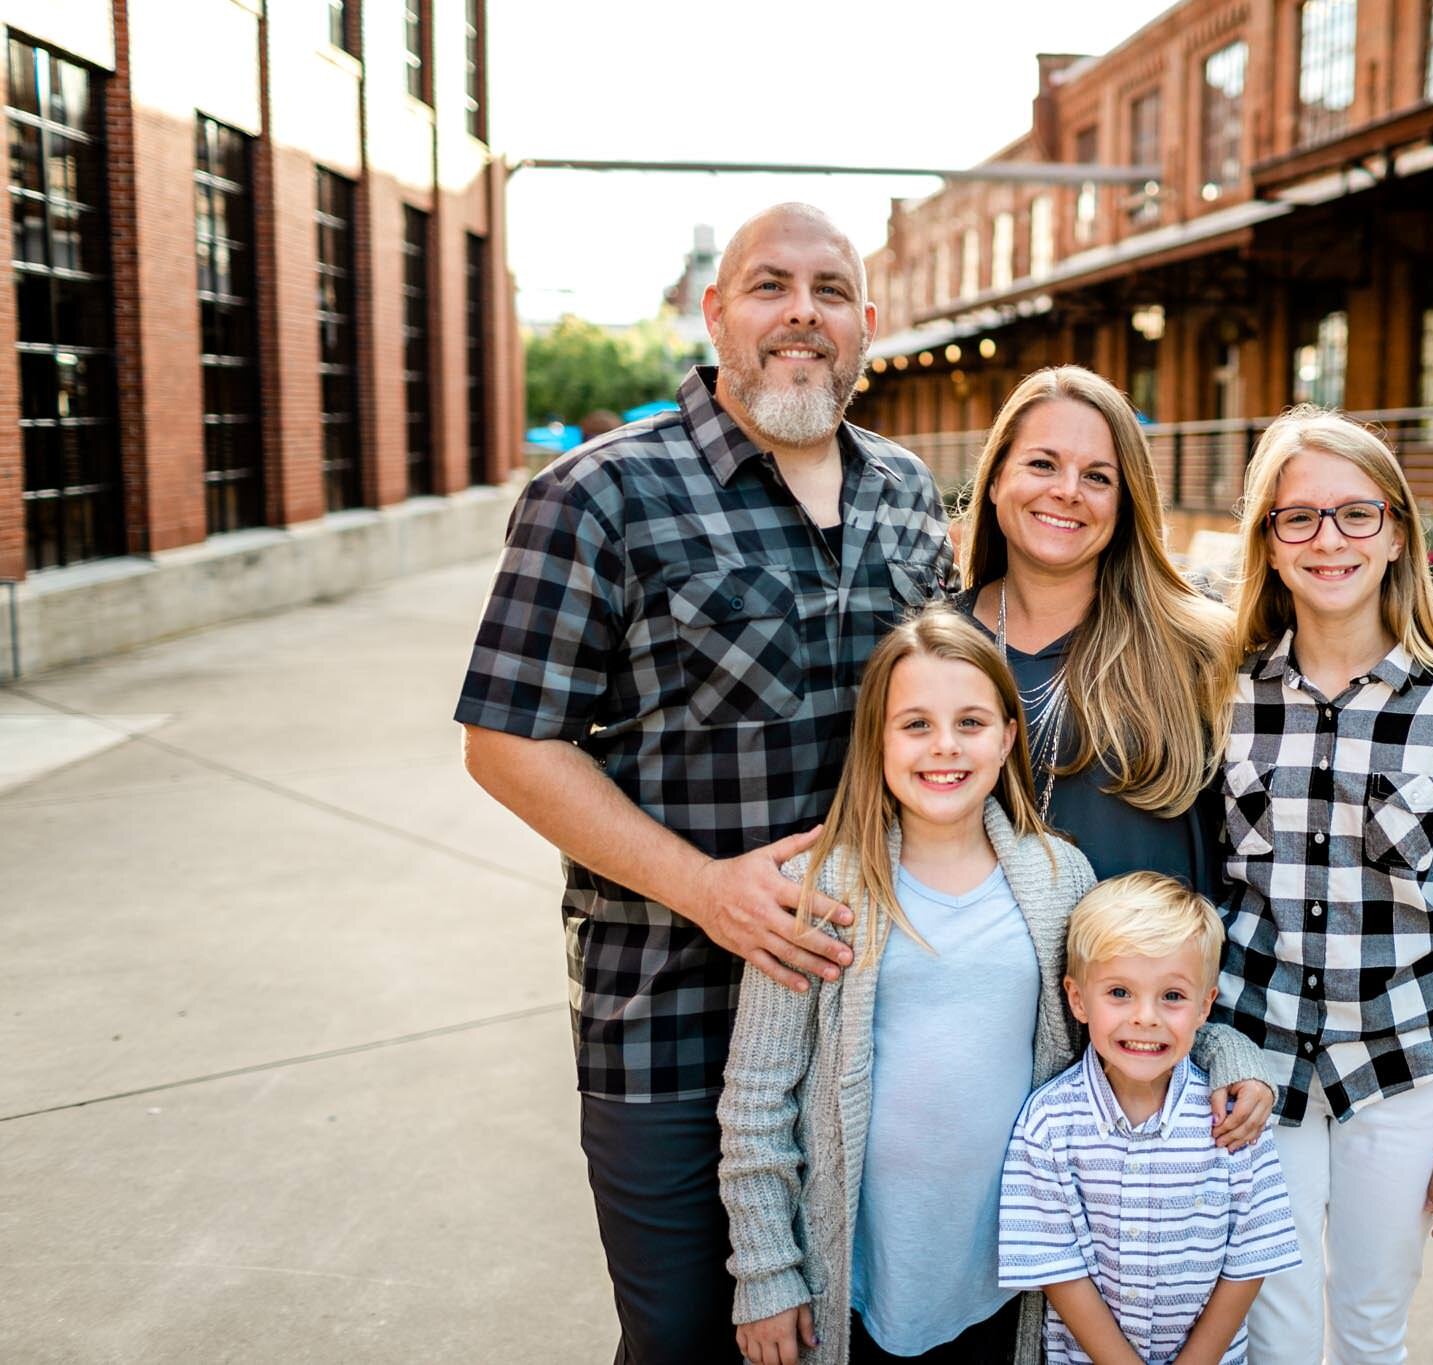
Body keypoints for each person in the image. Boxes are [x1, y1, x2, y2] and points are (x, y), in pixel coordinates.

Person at [454, 202, 954, 1364]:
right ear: (715, 310)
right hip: (669, 1017)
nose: (802, 314)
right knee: (685, 1337)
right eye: (769, 286)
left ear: (866, 325)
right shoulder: (598, 496)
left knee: (858, 1325)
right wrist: (704, 888)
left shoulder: (905, 492)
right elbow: (506, 741)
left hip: (869, 1009)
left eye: (830, 291)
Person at [719, 609, 1275, 1365]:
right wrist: (765, 1275)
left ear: (1008, 735)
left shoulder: (1054, 877)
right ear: (877, 738)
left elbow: (1124, 1004)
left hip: (1008, 1275)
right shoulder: (817, 887)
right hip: (859, 1277)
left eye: (971, 721)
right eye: (915, 723)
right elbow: (757, 1094)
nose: (945, 746)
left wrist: (1229, 1056)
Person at [1210, 407, 1433, 1365]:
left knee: (1368, 1325)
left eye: (1356, 514)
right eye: (1299, 518)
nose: (1330, 539)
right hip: (1257, 1067)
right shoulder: (1221, 695)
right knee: (1266, 1332)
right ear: (1268, 545)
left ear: (1397, 532)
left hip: (1403, 1068)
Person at [998, 873, 1302, 1365]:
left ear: (1206, 1005)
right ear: (1078, 999)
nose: (1146, 1017)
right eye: (1119, 992)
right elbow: (1056, 1266)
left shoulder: (1233, 1119)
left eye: (1173, 997)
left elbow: (1251, 1256)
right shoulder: (1049, 1123)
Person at [954, 366, 1233, 889]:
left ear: (1125, 503)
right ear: (995, 479)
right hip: (993, 969)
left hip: (1158, 966)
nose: (1067, 491)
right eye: (1042, 464)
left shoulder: (1198, 643)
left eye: (1098, 476)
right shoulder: (936, 650)